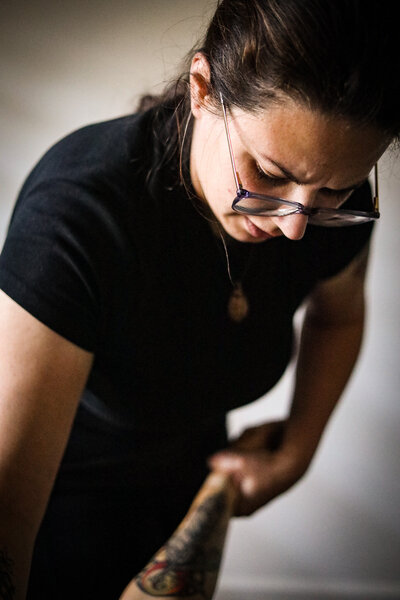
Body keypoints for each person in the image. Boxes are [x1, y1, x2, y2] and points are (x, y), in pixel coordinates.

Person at [0, 1, 398, 598]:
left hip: (187, 494)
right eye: (266, 172)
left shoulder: (320, 201)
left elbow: (338, 315)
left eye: (336, 191)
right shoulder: (77, 220)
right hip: (58, 524)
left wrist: (297, 450)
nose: (297, 226)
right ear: (202, 89)